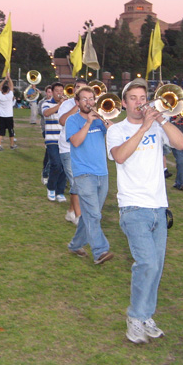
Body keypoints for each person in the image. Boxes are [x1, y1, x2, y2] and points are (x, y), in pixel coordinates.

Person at [107, 79, 183, 344]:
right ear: (124, 102)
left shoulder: (156, 124)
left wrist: (162, 120)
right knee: (147, 263)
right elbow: (120, 156)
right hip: (133, 207)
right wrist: (143, 128)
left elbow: (181, 144)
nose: (139, 102)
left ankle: (145, 316)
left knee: (157, 267)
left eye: (143, 97)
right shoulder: (116, 130)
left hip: (158, 207)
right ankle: (135, 316)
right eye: (133, 98)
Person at [65, 86, 113, 264]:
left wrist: (104, 118)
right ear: (77, 103)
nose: (88, 102)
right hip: (84, 174)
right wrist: (88, 123)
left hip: (102, 172)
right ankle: (100, 251)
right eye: (84, 99)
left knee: (90, 214)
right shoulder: (72, 120)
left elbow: (115, 133)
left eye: (91, 98)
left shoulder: (100, 119)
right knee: (94, 214)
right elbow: (76, 142)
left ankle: (75, 244)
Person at [58, 79, 89, 224]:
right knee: (76, 182)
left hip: (83, 148)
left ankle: (71, 211)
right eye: (77, 88)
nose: (79, 91)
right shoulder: (66, 104)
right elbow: (63, 121)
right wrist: (76, 107)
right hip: (67, 148)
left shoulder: (90, 106)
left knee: (79, 182)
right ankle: (78, 216)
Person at [41, 82, 67, 202]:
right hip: (52, 139)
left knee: (65, 166)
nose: (59, 93)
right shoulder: (46, 103)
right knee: (56, 164)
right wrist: (60, 105)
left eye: (61, 91)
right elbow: (46, 113)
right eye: (57, 91)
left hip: (65, 140)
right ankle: (51, 187)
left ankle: (60, 191)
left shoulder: (67, 104)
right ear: (52, 92)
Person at [0, 76, 17, 151]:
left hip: (2, 116)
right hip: (9, 116)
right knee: (11, 131)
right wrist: (9, 78)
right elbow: (12, 86)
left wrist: (4, 80)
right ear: (8, 90)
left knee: (1, 131)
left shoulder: (0, 96)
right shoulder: (9, 95)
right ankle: (12, 145)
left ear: (2, 90)